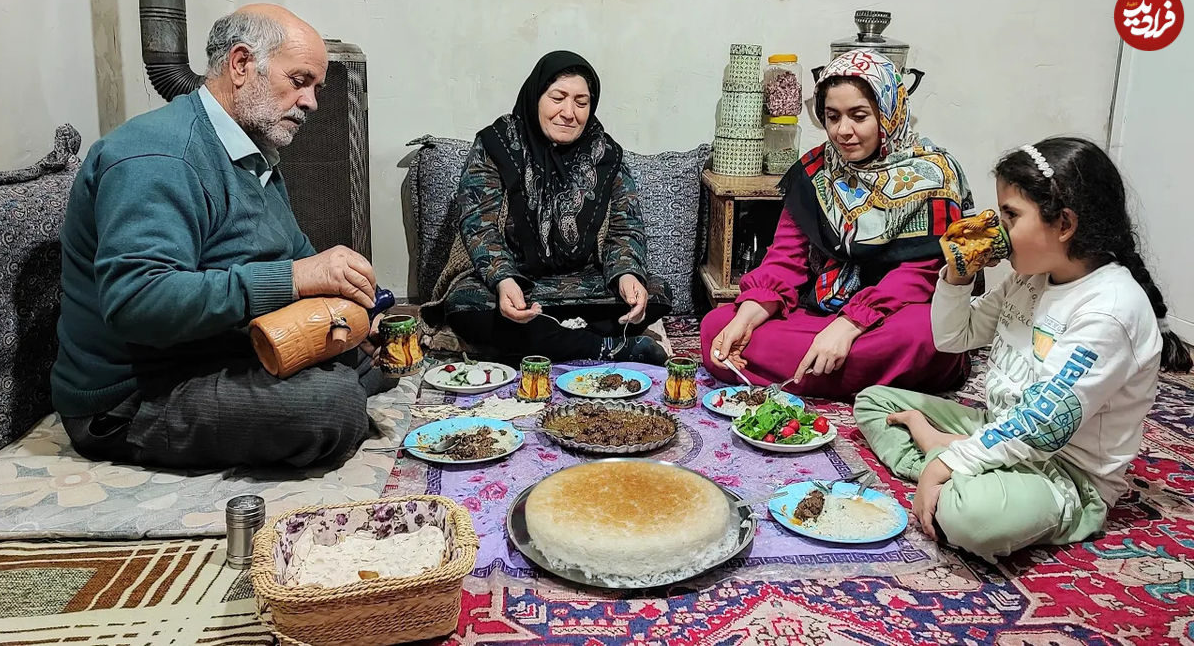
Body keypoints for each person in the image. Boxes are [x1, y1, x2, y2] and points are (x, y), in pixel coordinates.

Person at [52, 5, 384, 470]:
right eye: (300, 80)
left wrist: (342, 303)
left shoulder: (253, 153)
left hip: (214, 350)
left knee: (368, 357)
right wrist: (292, 279)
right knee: (331, 405)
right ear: (242, 64)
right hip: (138, 394)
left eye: (317, 88)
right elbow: (137, 301)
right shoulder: (158, 154)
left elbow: (296, 257)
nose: (311, 102)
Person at [854, 137, 1193, 561]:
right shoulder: (1029, 278)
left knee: (970, 517)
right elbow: (954, 338)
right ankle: (957, 459)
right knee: (873, 401)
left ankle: (948, 460)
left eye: (1010, 215)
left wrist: (944, 457)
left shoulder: (1110, 310)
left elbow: (1042, 424)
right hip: (999, 425)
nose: (996, 229)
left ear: (1064, 224)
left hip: (1066, 472)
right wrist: (957, 279)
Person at [701, 49, 972, 399]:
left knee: (927, 336)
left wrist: (850, 325)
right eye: (832, 117)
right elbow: (785, 259)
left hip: (887, 317)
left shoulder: (931, 177)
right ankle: (854, 379)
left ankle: (816, 372)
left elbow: (920, 276)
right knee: (717, 327)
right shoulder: (816, 171)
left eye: (859, 116)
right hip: (820, 312)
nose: (843, 131)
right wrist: (747, 317)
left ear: (888, 113)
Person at [421, 51, 671, 365]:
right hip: (515, 283)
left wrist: (626, 275)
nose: (569, 112)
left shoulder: (605, 155)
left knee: (656, 294)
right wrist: (503, 280)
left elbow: (625, 228)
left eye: (581, 102)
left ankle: (535, 342)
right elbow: (479, 225)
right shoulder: (496, 145)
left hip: (582, 283)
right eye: (558, 98)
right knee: (464, 305)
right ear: (536, 96)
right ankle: (604, 345)